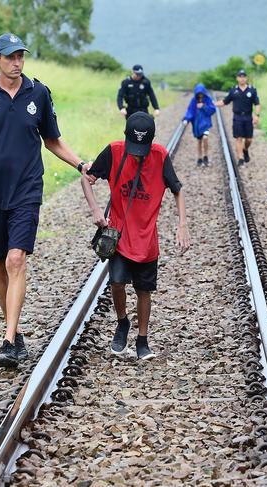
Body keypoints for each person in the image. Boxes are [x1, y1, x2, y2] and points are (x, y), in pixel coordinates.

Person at [0, 33, 94, 369]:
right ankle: (15, 330)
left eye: (20, 56)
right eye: (10, 57)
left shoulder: (38, 93)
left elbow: (52, 140)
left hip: (26, 190)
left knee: (15, 260)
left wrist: (81, 164)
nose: (17, 62)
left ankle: (9, 340)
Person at [81, 112, 191, 360]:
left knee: (144, 289)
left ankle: (143, 339)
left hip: (146, 237)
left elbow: (178, 189)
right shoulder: (113, 151)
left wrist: (182, 224)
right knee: (116, 282)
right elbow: (87, 178)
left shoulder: (160, 156)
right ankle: (122, 323)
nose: (137, 153)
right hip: (119, 235)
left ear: (151, 141)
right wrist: (96, 209)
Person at [215, 69, 261, 165]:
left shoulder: (252, 90)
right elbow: (224, 102)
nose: (242, 78)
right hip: (237, 117)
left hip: (248, 117)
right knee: (238, 138)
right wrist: (212, 104)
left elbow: (257, 104)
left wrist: (257, 115)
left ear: (246, 78)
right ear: (237, 78)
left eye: (244, 76)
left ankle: (245, 149)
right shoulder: (233, 90)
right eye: (240, 76)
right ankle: (240, 158)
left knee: (249, 139)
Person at [182, 83, 216, 166]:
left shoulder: (207, 99)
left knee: (205, 138)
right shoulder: (194, 101)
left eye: (201, 93)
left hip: (205, 124)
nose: (200, 95)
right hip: (197, 125)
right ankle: (199, 157)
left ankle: (206, 155)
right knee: (199, 141)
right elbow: (190, 111)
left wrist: (204, 106)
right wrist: (186, 119)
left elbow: (212, 110)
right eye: (198, 93)